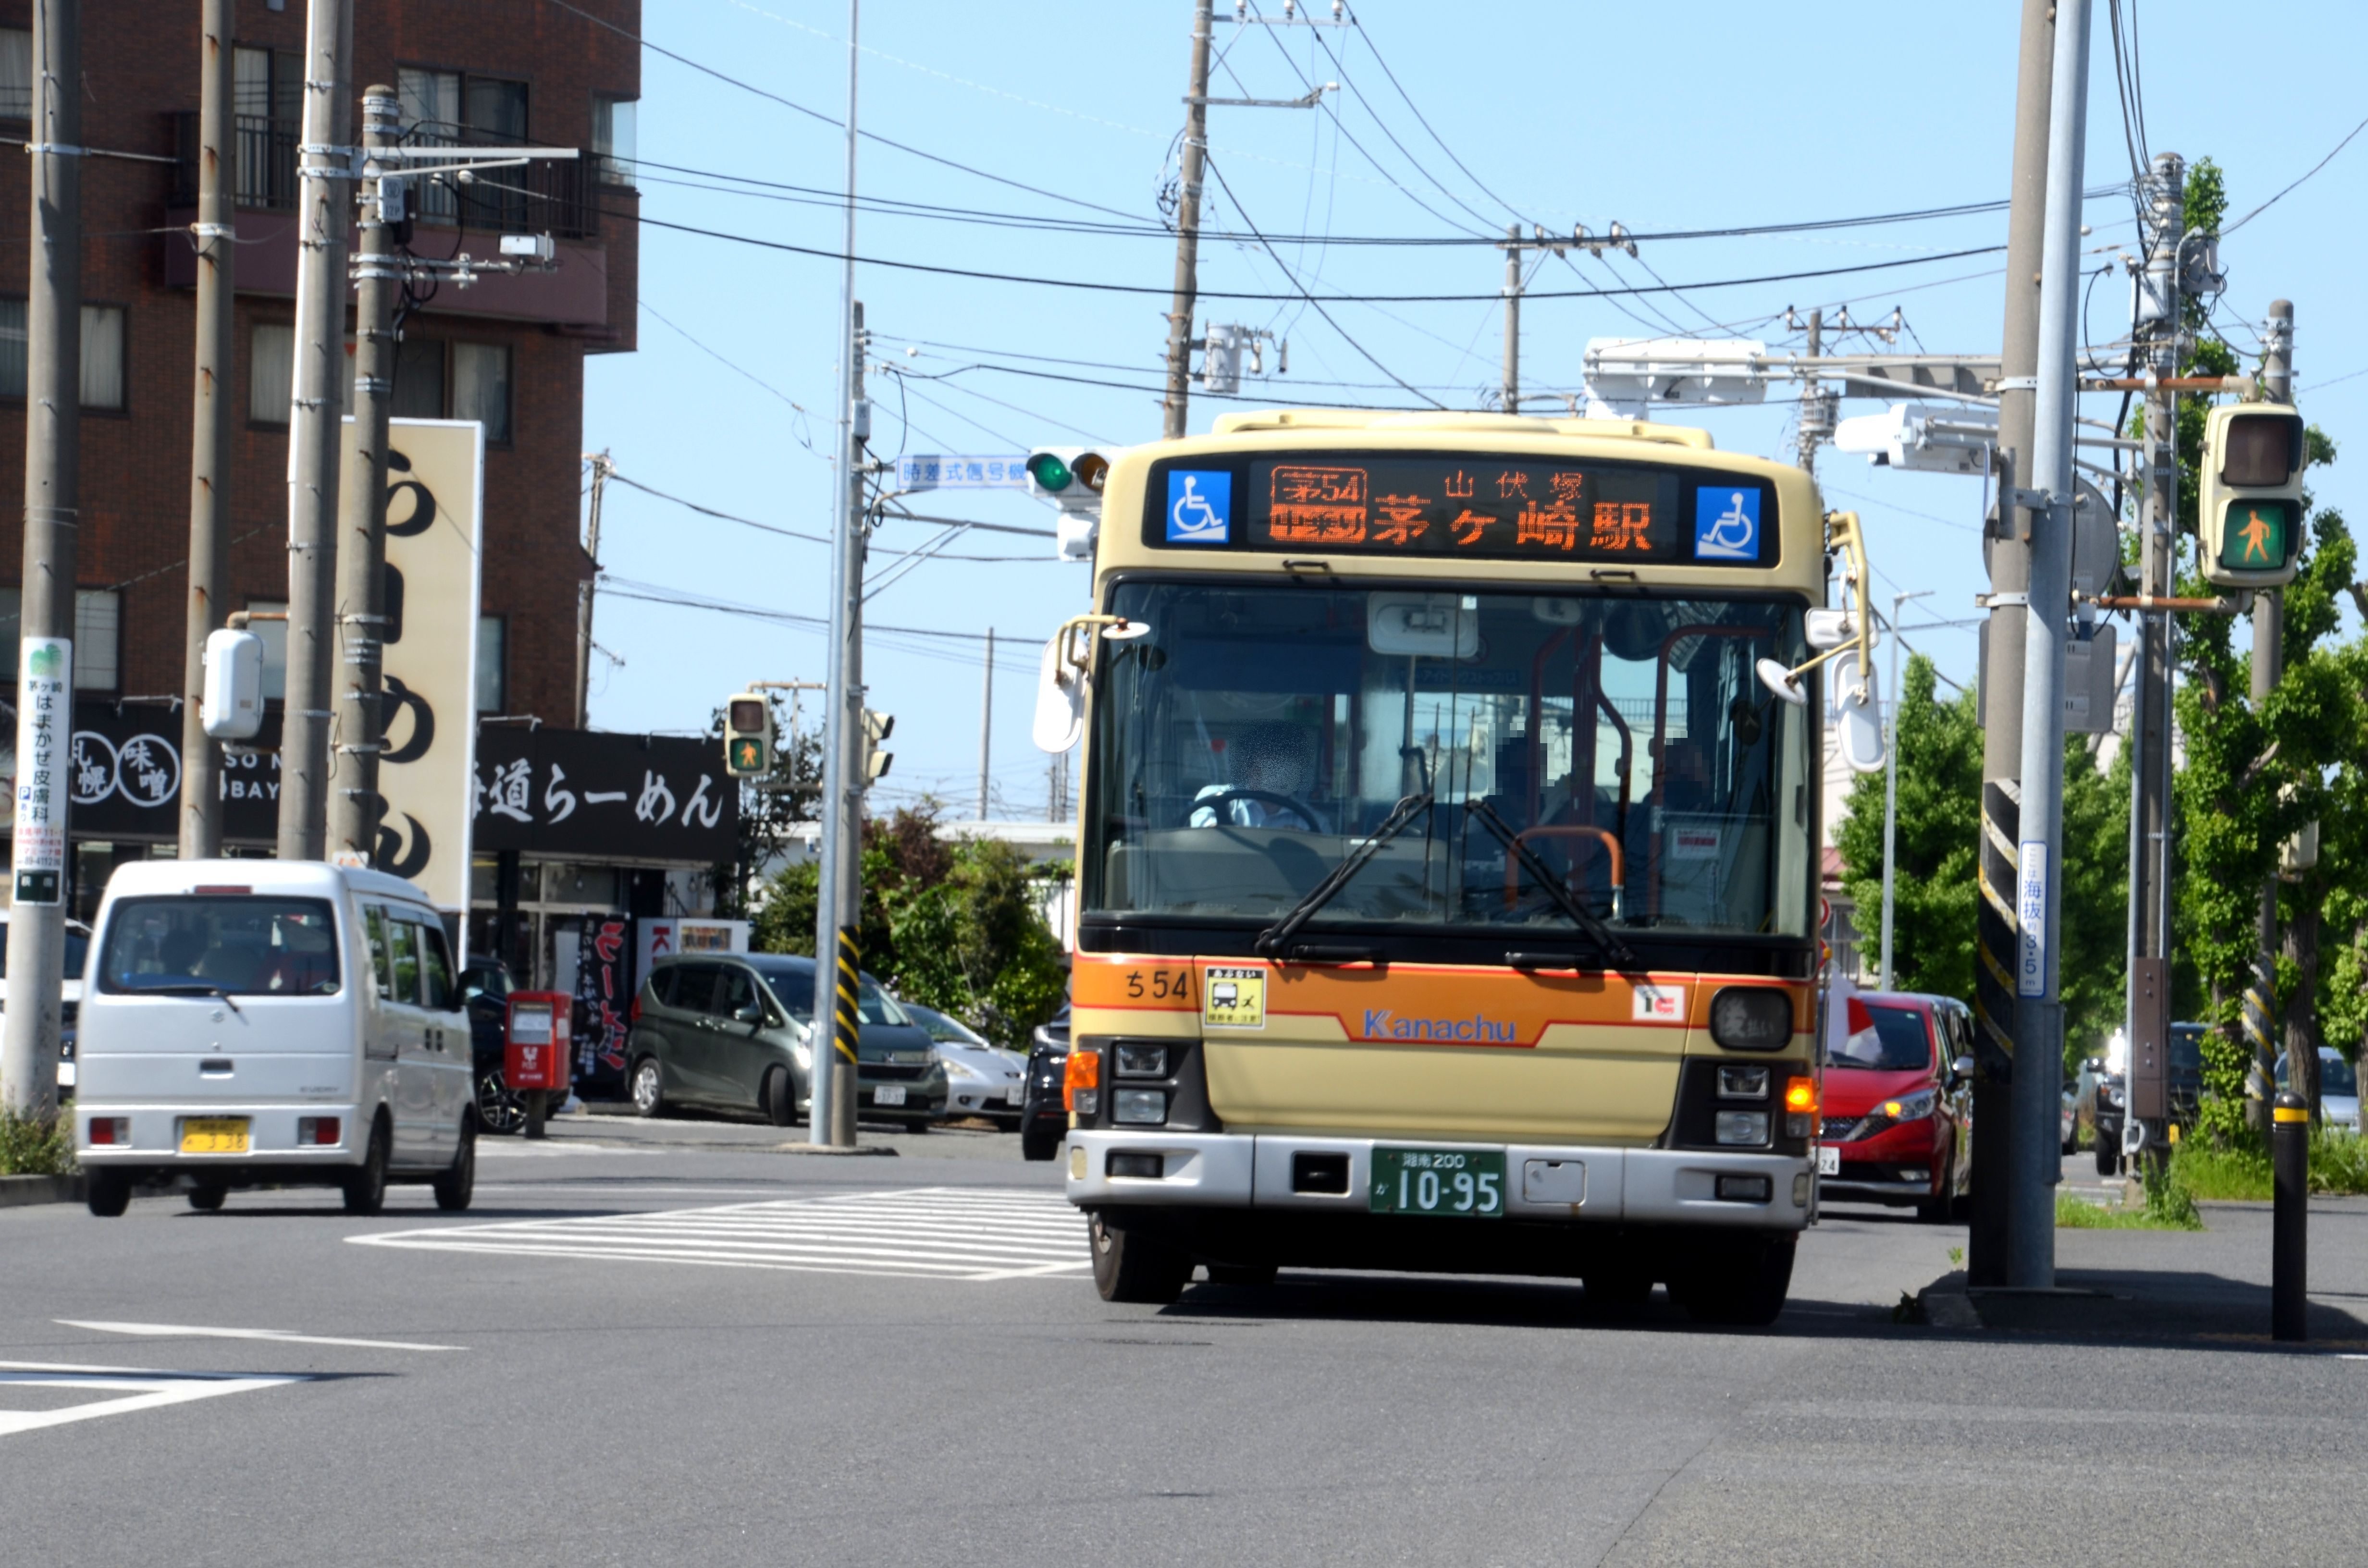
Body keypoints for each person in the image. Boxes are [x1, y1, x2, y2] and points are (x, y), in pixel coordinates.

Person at [1190, 723, 1329, 831]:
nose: (1285, 768)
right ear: (1251, 766)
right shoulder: (1214, 797)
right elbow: (1205, 837)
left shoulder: (1315, 821)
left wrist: (1306, 845)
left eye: (1293, 759)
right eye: (1275, 758)